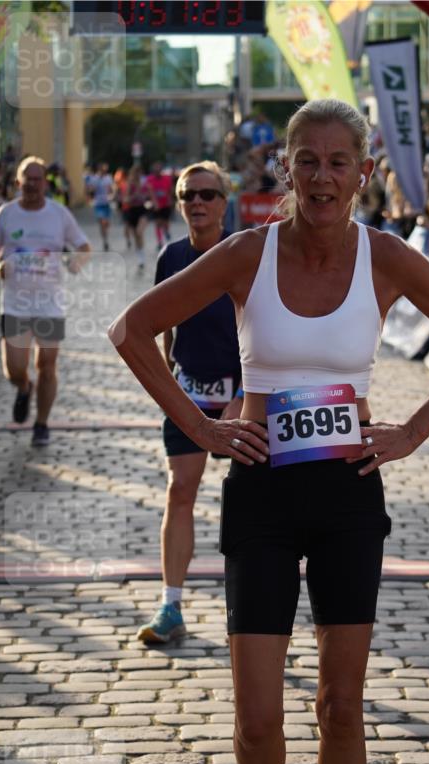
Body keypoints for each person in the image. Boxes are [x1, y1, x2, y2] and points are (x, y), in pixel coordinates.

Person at [109, 99, 429, 764]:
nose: (322, 177)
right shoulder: (245, 254)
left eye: (338, 162)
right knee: (257, 717)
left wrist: (413, 431)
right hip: (259, 490)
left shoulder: (386, 257)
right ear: (283, 168)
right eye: (307, 161)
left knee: (339, 704)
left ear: (362, 173)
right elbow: (131, 330)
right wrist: (202, 426)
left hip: (346, 496)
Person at [137, 161, 242, 644]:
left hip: (244, 395)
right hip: (190, 391)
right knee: (180, 490)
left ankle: (255, 606)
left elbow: (264, 331)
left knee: (251, 499)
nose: (196, 202)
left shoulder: (245, 254)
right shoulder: (171, 256)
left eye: (206, 194)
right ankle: (170, 606)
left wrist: (244, 395)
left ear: (224, 202)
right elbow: (160, 325)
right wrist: (170, 385)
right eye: (187, 195)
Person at [0, 156, 90, 445]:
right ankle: (23, 387)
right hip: (15, 303)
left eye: (37, 179)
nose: (32, 184)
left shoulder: (59, 214)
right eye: (26, 179)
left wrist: (76, 262)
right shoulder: (6, 213)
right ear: (18, 182)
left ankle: (41, 424)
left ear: (45, 182)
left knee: (47, 364)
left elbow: (84, 246)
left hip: (49, 303)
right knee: (14, 368)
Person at [122, 164, 151, 272]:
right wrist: (134, 196)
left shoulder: (144, 183)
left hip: (142, 210)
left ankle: (142, 255)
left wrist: (148, 199)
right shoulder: (130, 184)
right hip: (132, 210)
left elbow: (150, 194)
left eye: (139, 172)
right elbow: (125, 199)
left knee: (139, 232)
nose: (138, 175)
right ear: (133, 173)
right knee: (136, 236)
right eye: (136, 173)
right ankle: (140, 256)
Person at [87, 162, 114, 251]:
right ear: (99, 169)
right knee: (102, 222)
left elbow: (111, 190)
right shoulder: (94, 178)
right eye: (102, 169)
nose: (103, 170)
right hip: (98, 204)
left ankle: (105, 236)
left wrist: (111, 195)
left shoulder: (108, 178)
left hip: (107, 203)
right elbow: (90, 190)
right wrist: (92, 191)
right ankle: (105, 241)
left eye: (105, 169)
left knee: (106, 223)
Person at [147, 162, 173, 250]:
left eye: (159, 169)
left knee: (165, 222)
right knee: (158, 223)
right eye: (156, 169)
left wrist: (170, 200)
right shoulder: (150, 179)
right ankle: (160, 242)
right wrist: (155, 203)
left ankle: (166, 231)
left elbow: (170, 190)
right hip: (157, 205)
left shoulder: (166, 178)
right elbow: (150, 191)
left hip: (166, 204)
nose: (157, 171)